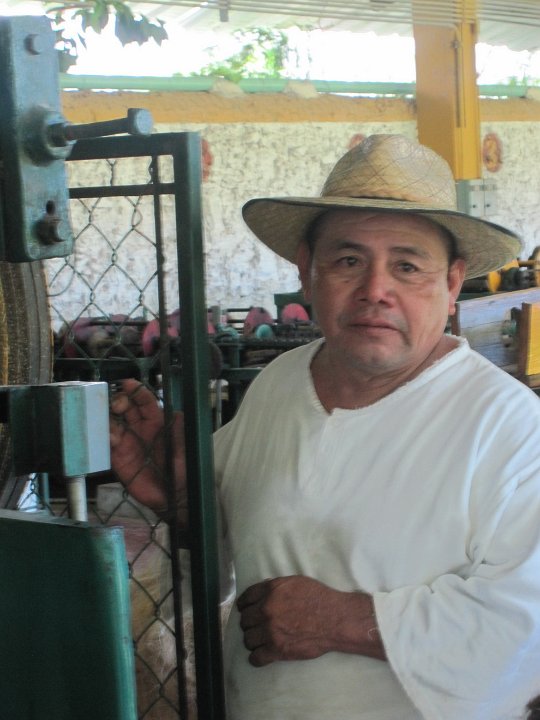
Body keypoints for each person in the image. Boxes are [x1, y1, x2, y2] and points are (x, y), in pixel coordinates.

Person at [110, 134, 540, 719]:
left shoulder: (508, 427)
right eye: (348, 261)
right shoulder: (280, 384)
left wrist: (343, 621)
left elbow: (525, 624)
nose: (375, 291)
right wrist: (186, 502)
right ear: (307, 274)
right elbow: (233, 542)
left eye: (407, 266)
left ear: (451, 283)